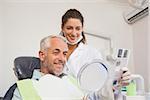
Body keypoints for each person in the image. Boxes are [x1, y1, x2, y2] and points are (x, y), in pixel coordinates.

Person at [60, 8, 131, 100]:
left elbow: (101, 88)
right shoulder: (54, 52)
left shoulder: (92, 53)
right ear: (62, 28)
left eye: (78, 28)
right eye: (69, 28)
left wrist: (118, 81)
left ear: (82, 29)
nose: (74, 33)